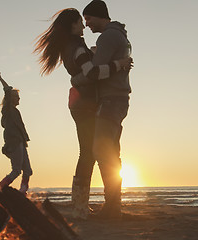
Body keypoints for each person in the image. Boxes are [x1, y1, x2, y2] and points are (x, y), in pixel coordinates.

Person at [34, 8, 132, 218]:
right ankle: (79, 207)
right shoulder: (77, 47)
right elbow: (93, 73)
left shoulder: (72, 47)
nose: (84, 26)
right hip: (85, 105)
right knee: (88, 154)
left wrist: (93, 54)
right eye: (80, 21)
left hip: (80, 104)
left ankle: (80, 206)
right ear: (72, 26)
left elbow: (84, 68)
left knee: (88, 153)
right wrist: (119, 64)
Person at [81, 0, 133, 219]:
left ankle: (112, 207)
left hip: (111, 99)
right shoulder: (118, 36)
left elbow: (94, 71)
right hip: (117, 99)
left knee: (102, 151)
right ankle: (113, 206)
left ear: (100, 16)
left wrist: (91, 56)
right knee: (111, 152)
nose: (87, 25)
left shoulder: (108, 36)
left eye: (89, 19)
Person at [0, 71, 33, 195]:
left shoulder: (15, 111)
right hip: (14, 143)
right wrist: (0, 78)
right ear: (11, 99)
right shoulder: (8, 110)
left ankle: (22, 192)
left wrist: (25, 142)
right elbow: (7, 90)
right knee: (16, 171)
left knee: (27, 170)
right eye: (17, 97)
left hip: (20, 143)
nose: (19, 99)